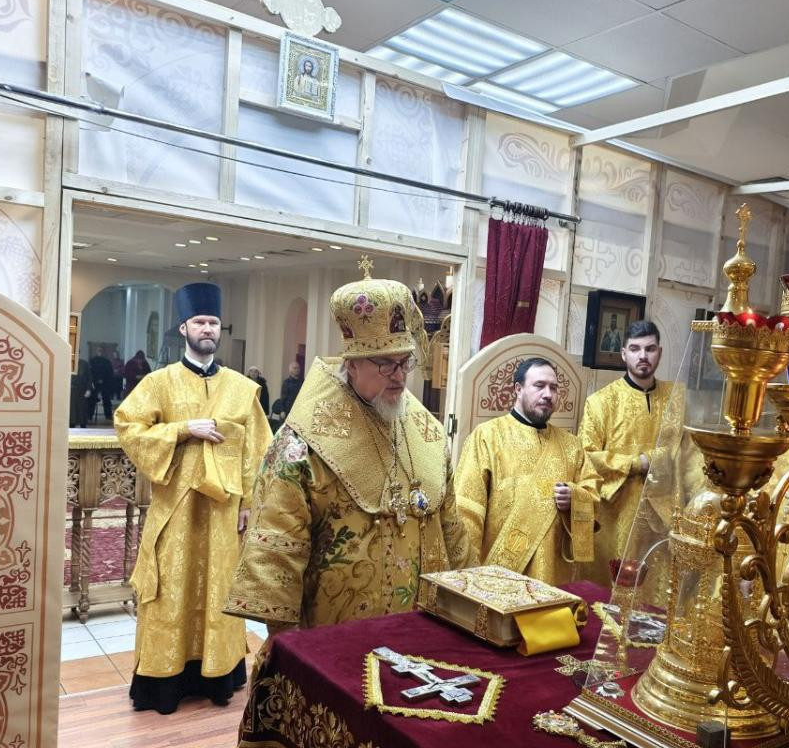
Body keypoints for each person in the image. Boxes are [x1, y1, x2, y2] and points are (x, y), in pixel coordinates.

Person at [226, 260, 473, 630]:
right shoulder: (301, 446)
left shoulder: (428, 432)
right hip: (338, 635)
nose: (400, 377)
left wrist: (466, 599)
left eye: (405, 362)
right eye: (386, 365)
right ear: (352, 363)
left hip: (426, 630)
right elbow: (276, 554)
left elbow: (451, 530)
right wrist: (289, 645)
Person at [114, 282, 270, 714]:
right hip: (176, 509)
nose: (207, 329)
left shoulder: (241, 388)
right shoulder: (159, 383)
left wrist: (249, 504)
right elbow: (128, 427)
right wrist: (183, 429)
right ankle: (163, 683)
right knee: (170, 590)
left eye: (214, 323)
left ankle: (218, 678)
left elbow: (259, 450)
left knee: (219, 590)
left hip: (224, 513)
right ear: (183, 327)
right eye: (200, 322)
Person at [454, 356, 601, 586]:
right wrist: (467, 575)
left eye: (554, 388)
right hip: (500, 577)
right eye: (539, 385)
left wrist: (575, 498)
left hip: (554, 577)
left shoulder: (572, 446)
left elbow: (593, 494)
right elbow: (467, 511)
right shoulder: (487, 436)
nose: (548, 394)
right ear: (518, 389)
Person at [579, 320, 676, 567]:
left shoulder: (676, 398)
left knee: (659, 583)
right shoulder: (600, 402)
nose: (643, 356)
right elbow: (586, 458)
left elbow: (687, 451)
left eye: (650, 349)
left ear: (659, 353)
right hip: (616, 515)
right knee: (614, 582)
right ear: (624, 353)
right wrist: (637, 463)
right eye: (635, 349)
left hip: (664, 514)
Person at [88, 351, 115, 422]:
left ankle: (108, 416)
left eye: (100, 351)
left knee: (106, 399)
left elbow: (110, 373)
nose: (99, 353)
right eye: (98, 351)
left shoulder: (106, 362)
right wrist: (96, 380)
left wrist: (103, 380)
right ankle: (89, 415)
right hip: (96, 382)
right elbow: (90, 372)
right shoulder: (93, 361)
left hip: (105, 383)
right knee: (92, 399)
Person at [69, 358, 91, 428]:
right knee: (72, 409)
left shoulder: (84, 364)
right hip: (71, 390)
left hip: (82, 390)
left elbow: (89, 378)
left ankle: (83, 425)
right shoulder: (67, 362)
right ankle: (71, 425)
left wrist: (88, 389)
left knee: (82, 409)